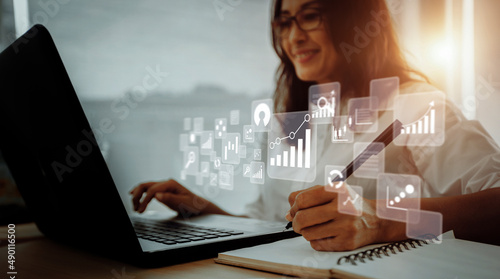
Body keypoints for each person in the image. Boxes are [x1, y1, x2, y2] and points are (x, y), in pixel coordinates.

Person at [130, 0, 500, 251]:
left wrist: (380, 220)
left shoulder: (416, 105)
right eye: (285, 21)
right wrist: (202, 208)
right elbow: (279, 227)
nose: (294, 37)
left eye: (310, 16)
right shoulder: (290, 121)